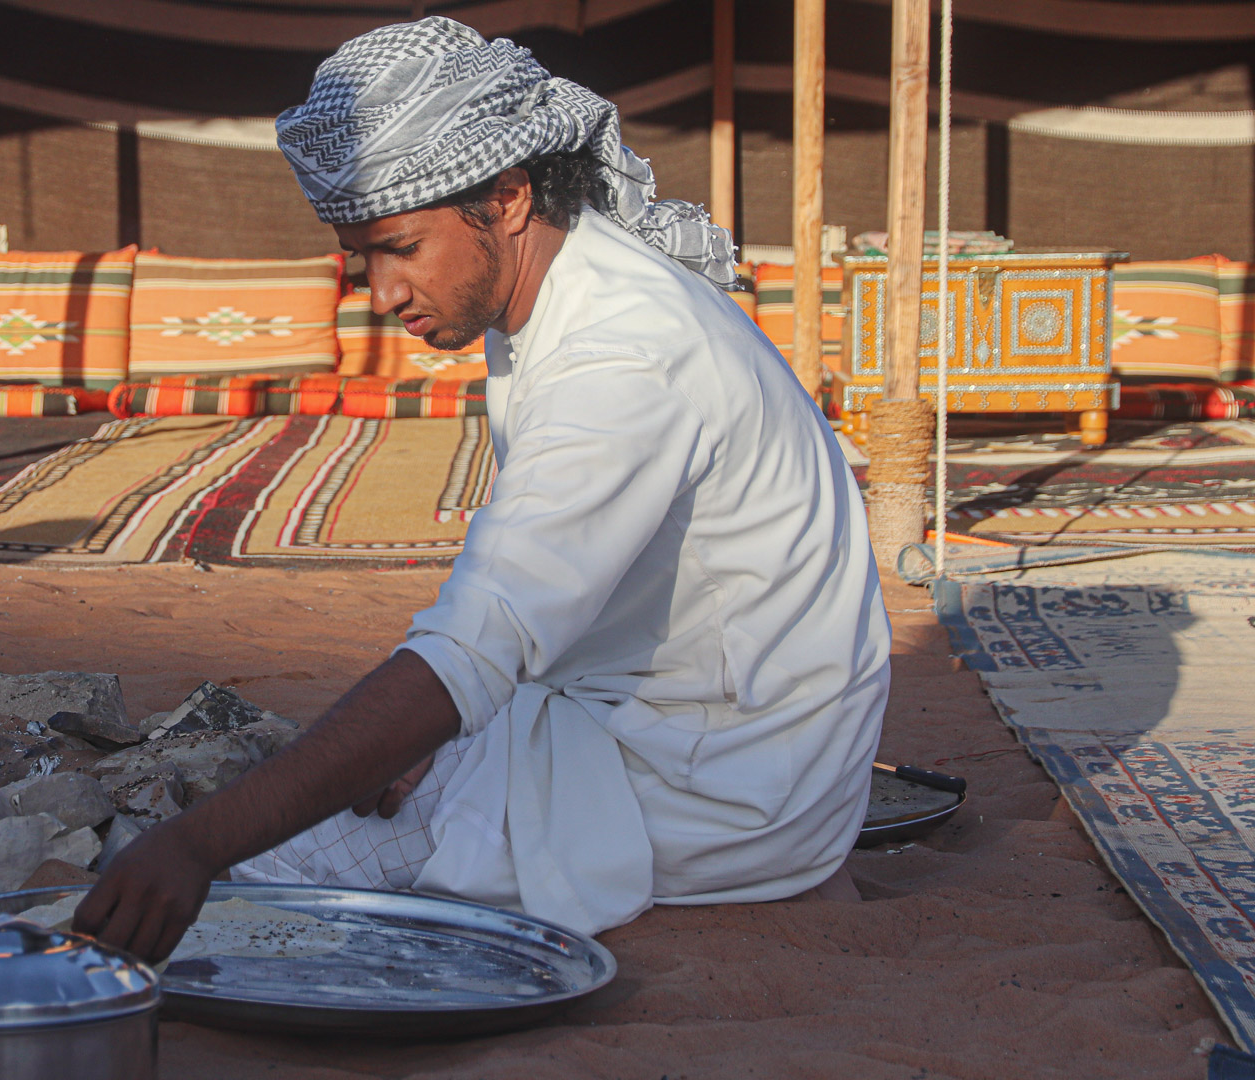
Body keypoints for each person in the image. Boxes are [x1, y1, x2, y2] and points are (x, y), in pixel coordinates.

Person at [74, 16, 890, 963]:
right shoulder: (559, 289)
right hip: (678, 721)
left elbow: (479, 641)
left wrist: (200, 844)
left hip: (727, 780)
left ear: (507, 197)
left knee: (263, 880)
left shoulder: (619, 355)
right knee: (362, 770)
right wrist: (445, 724)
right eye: (360, 256)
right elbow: (530, 610)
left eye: (400, 247)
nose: (379, 290)